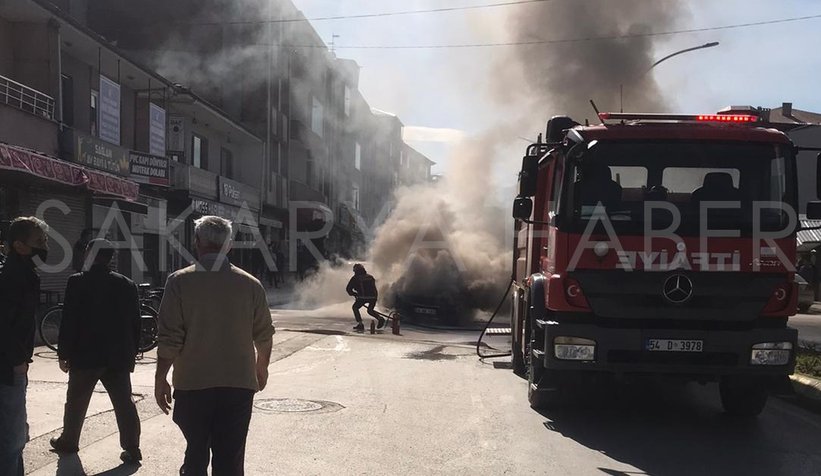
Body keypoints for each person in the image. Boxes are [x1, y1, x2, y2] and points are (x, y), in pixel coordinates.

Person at [155, 216, 275, 476]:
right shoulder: (251, 285)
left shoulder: (179, 282)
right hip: (238, 386)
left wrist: (160, 377)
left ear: (196, 242)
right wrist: (261, 367)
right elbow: (264, 334)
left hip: (193, 385)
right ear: (229, 246)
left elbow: (169, 338)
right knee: (230, 458)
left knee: (196, 451)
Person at [49, 239, 142, 464]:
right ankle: (132, 447)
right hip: (117, 356)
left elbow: (69, 320)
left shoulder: (77, 282)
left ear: (90, 254)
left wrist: (63, 353)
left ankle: (69, 441)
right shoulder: (127, 284)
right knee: (124, 404)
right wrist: (132, 353)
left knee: (76, 401)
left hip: (85, 355)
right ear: (110, 257)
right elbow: (136, 323)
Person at [0, 216, 49, 476]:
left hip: (14, 365)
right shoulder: (13, 277)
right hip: (9, 368)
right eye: (39, 242)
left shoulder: (23, 274)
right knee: (12, 437)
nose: (44, 247)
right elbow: (5, 326)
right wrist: (17, 361)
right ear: (19, 245)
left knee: (15, 434)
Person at [346, 264, 384, 332]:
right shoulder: (370, 277)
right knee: (370, 310)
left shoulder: (355, 278)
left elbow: (348, 289)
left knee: (355, 307)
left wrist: (354, 294)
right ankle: (380, 318)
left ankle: (360, 324)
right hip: (373, 297)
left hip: (362, 297)